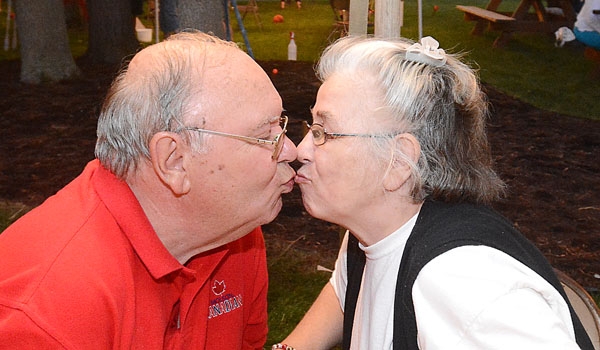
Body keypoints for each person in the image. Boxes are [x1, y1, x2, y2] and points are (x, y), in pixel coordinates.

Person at [272, 36, 594, 350]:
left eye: (324, 133)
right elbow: (345, 293)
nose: (302, 150)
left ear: (398, 163)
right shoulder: (372, 232)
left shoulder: (462, 281)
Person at [0, 31, 297, 348]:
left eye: (281, 126)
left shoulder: (234, 235)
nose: (292, 150)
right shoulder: (49, 318)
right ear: (174, 160)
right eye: (265, 136)